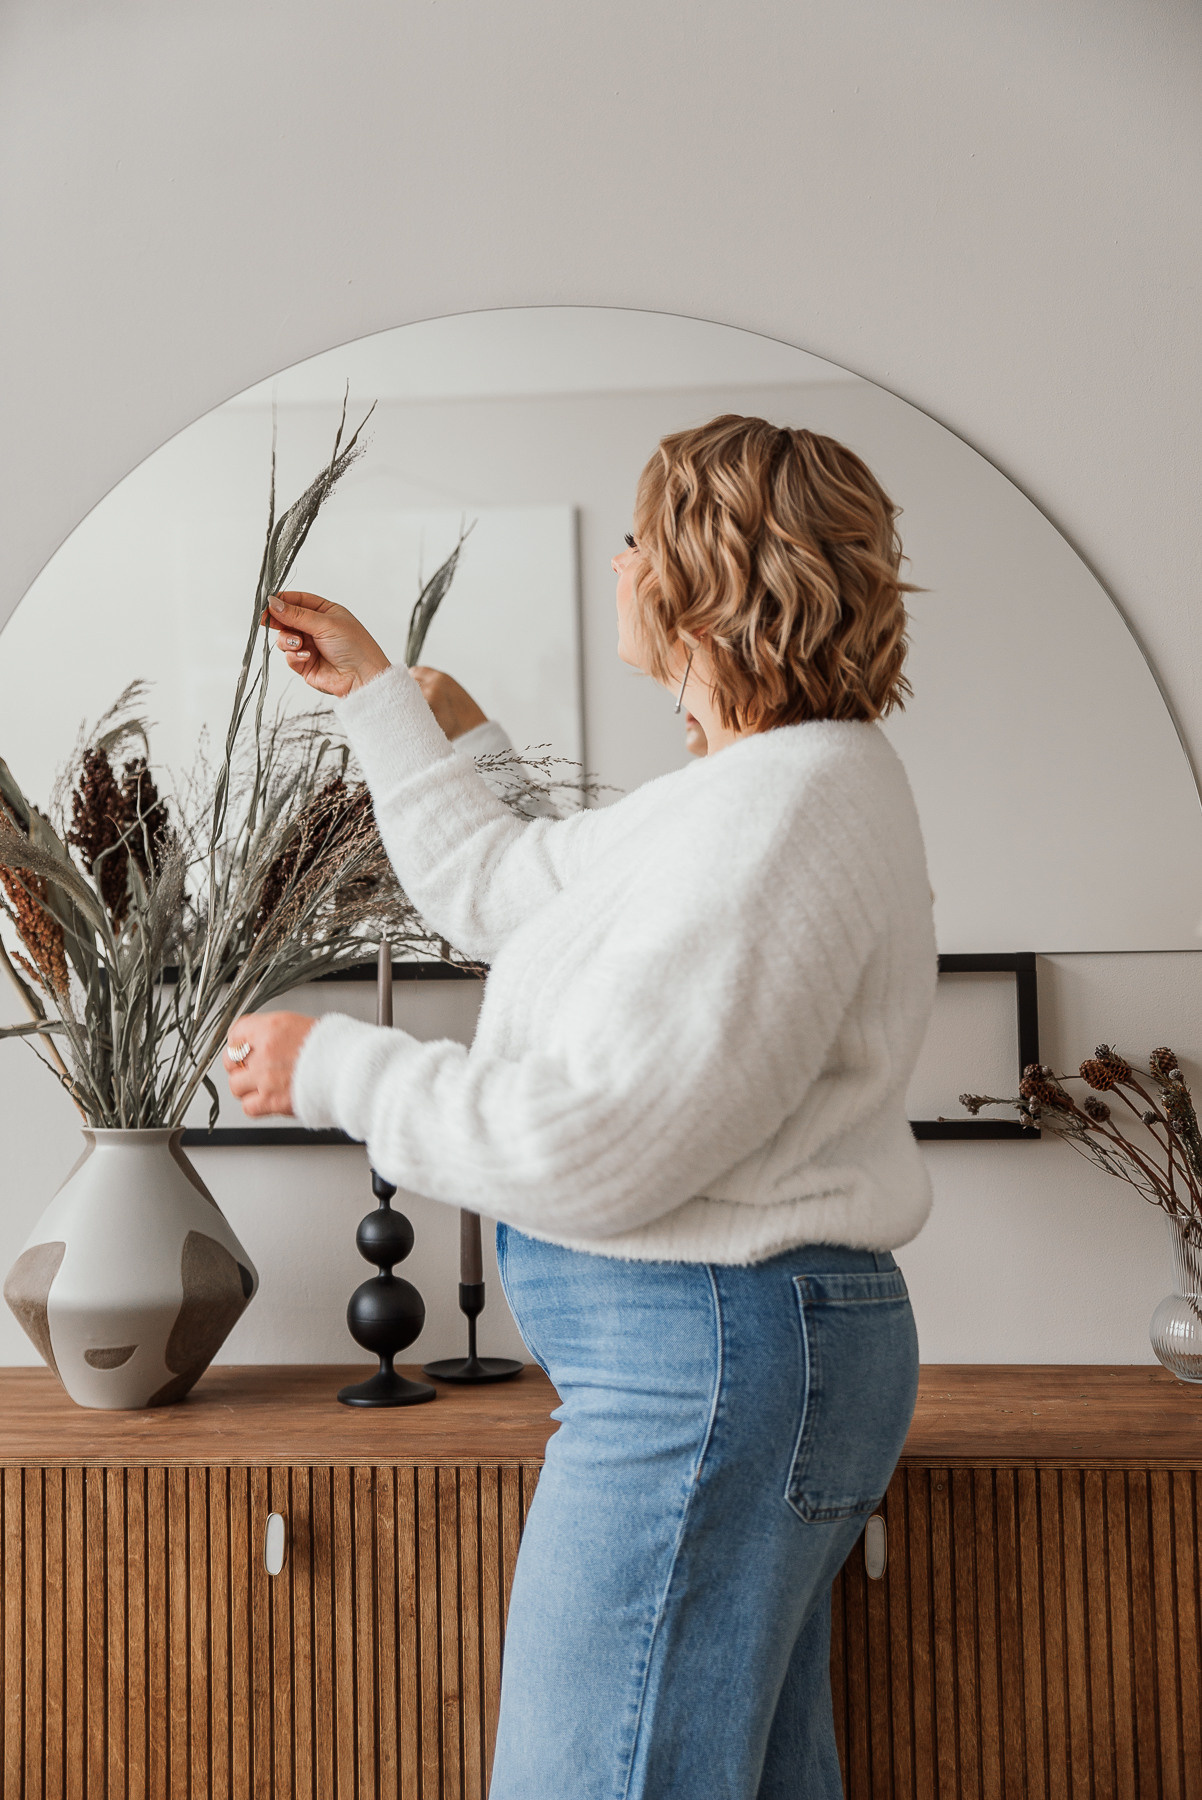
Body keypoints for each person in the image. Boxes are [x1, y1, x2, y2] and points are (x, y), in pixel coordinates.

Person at [223, 414, 937, 1800]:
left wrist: (337, 1070)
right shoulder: (760, 789)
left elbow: (599, 1142)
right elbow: (507, 886)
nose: (618, 563)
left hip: (705, 1369)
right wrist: (383, 697)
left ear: (701, 579)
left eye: (635, 538)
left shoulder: (780, 808)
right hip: (728, 1357)